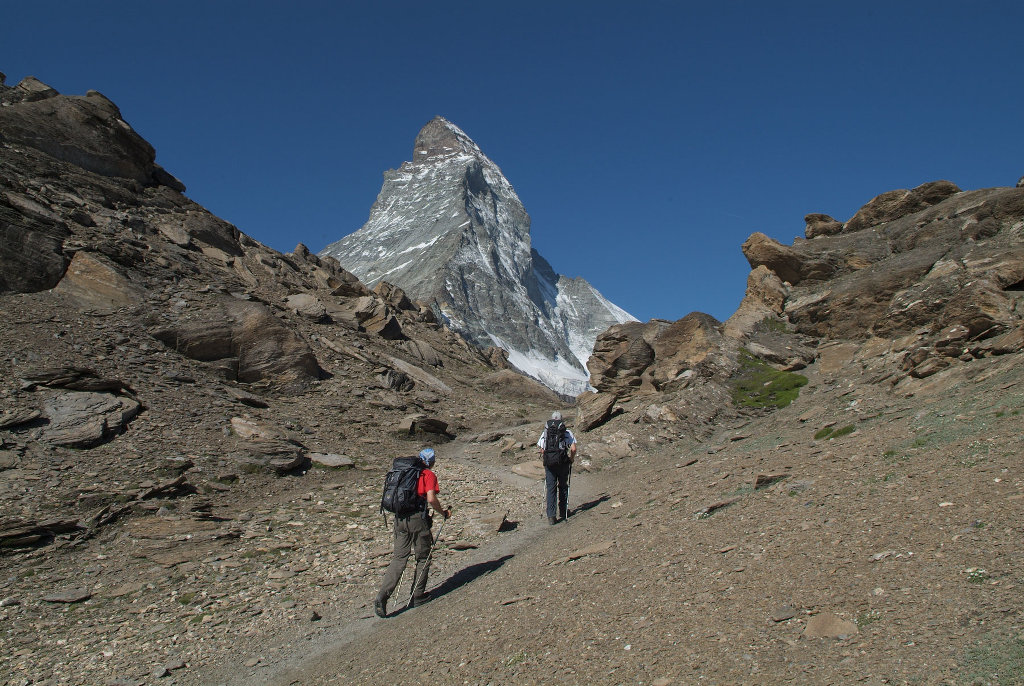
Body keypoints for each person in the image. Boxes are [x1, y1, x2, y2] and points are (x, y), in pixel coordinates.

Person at [374, 447, 451, 618]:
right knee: (423, 557)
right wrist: (443, 512)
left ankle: (382, 596)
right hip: (417, 519)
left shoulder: (404, 472)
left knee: (399, 558)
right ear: (431, 461)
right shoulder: (428, 475)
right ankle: (417, 596)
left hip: (399, 519)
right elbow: (430, 498)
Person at [537, 411, 577, 525]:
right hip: (563, 462)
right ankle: (563, 511)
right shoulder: (567, 432)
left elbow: (542, 449)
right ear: (561, 420)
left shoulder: (546, 431)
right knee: (563, 486)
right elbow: (573, 449)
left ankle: (551, 515)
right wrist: (571, 459)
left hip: (549, 463)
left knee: (551, 488)